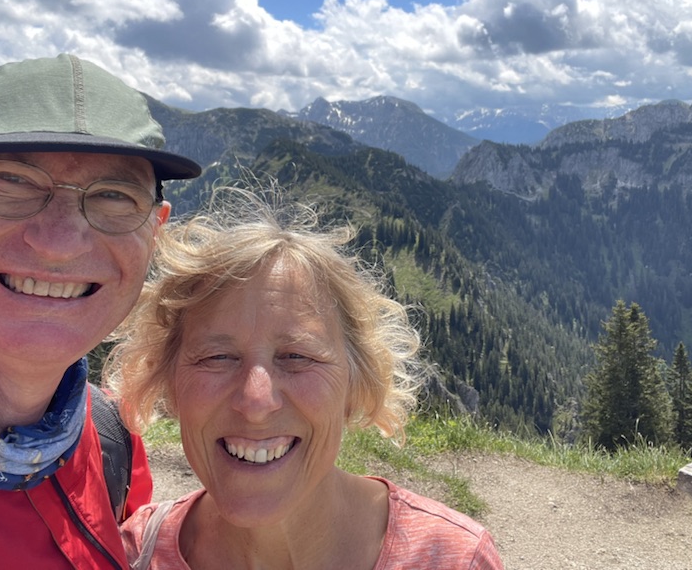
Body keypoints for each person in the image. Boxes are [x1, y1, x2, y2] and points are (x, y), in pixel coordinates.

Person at [0, 54, 202, 568]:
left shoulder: (112, 440)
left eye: (114, 196)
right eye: (10, 181)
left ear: (153, 235)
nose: (59, 244)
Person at [106, 189, 505, 569]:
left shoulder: (452, 559)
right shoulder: (127, 557)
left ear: (357, 384)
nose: (256, 402)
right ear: (169, 384)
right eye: (217, 357)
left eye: (297, 357)